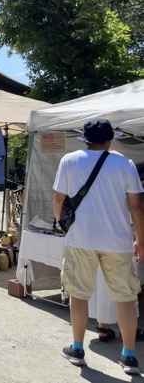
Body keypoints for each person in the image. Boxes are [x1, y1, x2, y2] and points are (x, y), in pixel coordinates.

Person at [53, 119, 144, 374]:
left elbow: (59, 198)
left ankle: (78, 348)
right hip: (118, 241)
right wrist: (141, 240)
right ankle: (128, 356)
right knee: (125, 297)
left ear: (85, 139)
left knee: (79, 294)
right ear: (110, 139)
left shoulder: (69, 161)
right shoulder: (124, 164)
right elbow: (136, 206)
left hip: (80, 238)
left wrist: (61, 223)